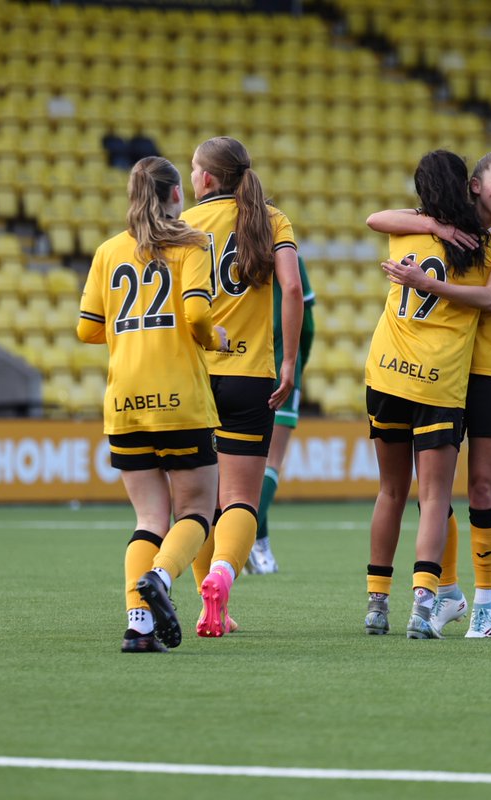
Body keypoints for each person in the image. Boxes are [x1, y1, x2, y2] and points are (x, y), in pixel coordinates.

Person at [368, 152, 491, 638]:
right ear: (474, 186)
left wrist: (427, 283)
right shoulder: (445, 227)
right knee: (434, 493)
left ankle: (484, 602)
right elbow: (380, 217)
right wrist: (437, 229)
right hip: (445, 372)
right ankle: (446, 592)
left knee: (481, 488)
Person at [77, 155, 230, 653]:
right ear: (176, 195)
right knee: (196, 512)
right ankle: (160, 577)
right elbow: (197, 316)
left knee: (148, 519)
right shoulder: (194, 244)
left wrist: (133, 331)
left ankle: (139, 628)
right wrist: (216, 338)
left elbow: (86, 329)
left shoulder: (108, 251)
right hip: (179, 400)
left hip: (125, 402)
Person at [363, 150, 491, 639]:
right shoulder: (480, 244)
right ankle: (422, 604)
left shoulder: (404, 232)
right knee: (434, 496)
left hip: (386, 373)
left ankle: (377, 603)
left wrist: (430, 225)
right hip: (438, 379)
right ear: (466, 187)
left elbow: (375, 217)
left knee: (390, 490)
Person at [182, 136, 303, 636]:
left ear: (207, 178)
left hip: (193, 376)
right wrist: (289, 361)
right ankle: (223, 577)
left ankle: (208, 606)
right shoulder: (273, 220)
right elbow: (292, 288)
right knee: (239, 501)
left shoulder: (185, 223)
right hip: (251, 375)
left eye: (194, 168)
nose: (191, 176)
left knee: (197, 503)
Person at [244, 254, 317, 574]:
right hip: (281, 366)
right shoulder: (288, 254)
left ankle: (260, 546)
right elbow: (307, 324)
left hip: (239, 364)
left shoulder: (229, 248)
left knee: (242, 466)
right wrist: (297, 362)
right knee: (270, 462)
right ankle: (242, 539)